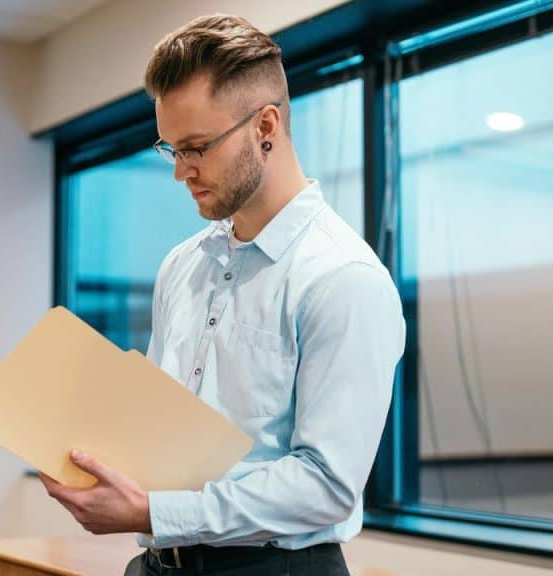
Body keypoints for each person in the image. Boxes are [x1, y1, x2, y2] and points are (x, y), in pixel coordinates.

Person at [40, 14, 406, 576]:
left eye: (197, 147)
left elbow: (327, 485)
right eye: (171, 149)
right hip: (158, 564)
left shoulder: (344, 278)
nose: (181, 172)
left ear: (266, 126)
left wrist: (153, 510)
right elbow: (168, 433)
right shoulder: (181, 267)